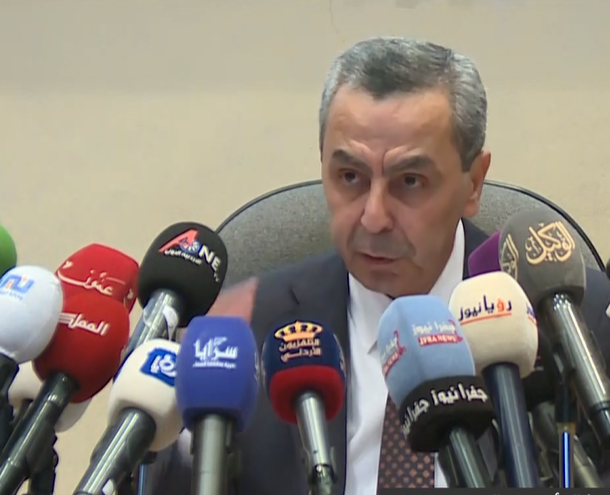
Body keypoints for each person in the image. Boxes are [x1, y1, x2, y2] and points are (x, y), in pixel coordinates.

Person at [145, 37, 610, 494]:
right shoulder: (244, 330)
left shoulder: (574, 323)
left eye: (410, 181)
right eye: (349, 176)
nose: (373, 217)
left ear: (473, 183)